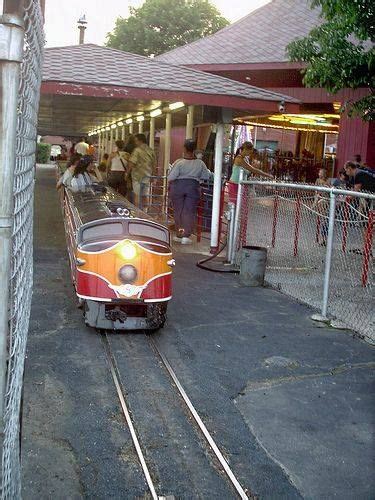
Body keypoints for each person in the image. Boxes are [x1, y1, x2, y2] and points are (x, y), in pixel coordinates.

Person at [168, 139, 212, 245]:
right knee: (189, 211)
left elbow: (171, 177)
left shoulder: (179, 163)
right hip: (193, 187)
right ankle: (186, 236)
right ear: (194, 149)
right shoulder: (200, 163)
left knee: (178, 211)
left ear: (184, 148)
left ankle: (180, 234)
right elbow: (206, 176)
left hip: (178, 187)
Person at [127, 133, 156, 208]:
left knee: (137, 195)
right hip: (147, 176)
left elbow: (132, 163)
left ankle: (138, 214)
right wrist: (153, 175)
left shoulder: (137, 150)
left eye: (136, 141)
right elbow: (154, 164)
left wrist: (127, 173)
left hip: (137, 176)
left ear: (140, 141)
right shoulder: (151, 150)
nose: (135, 143)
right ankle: (145, 213)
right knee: (145, 195)